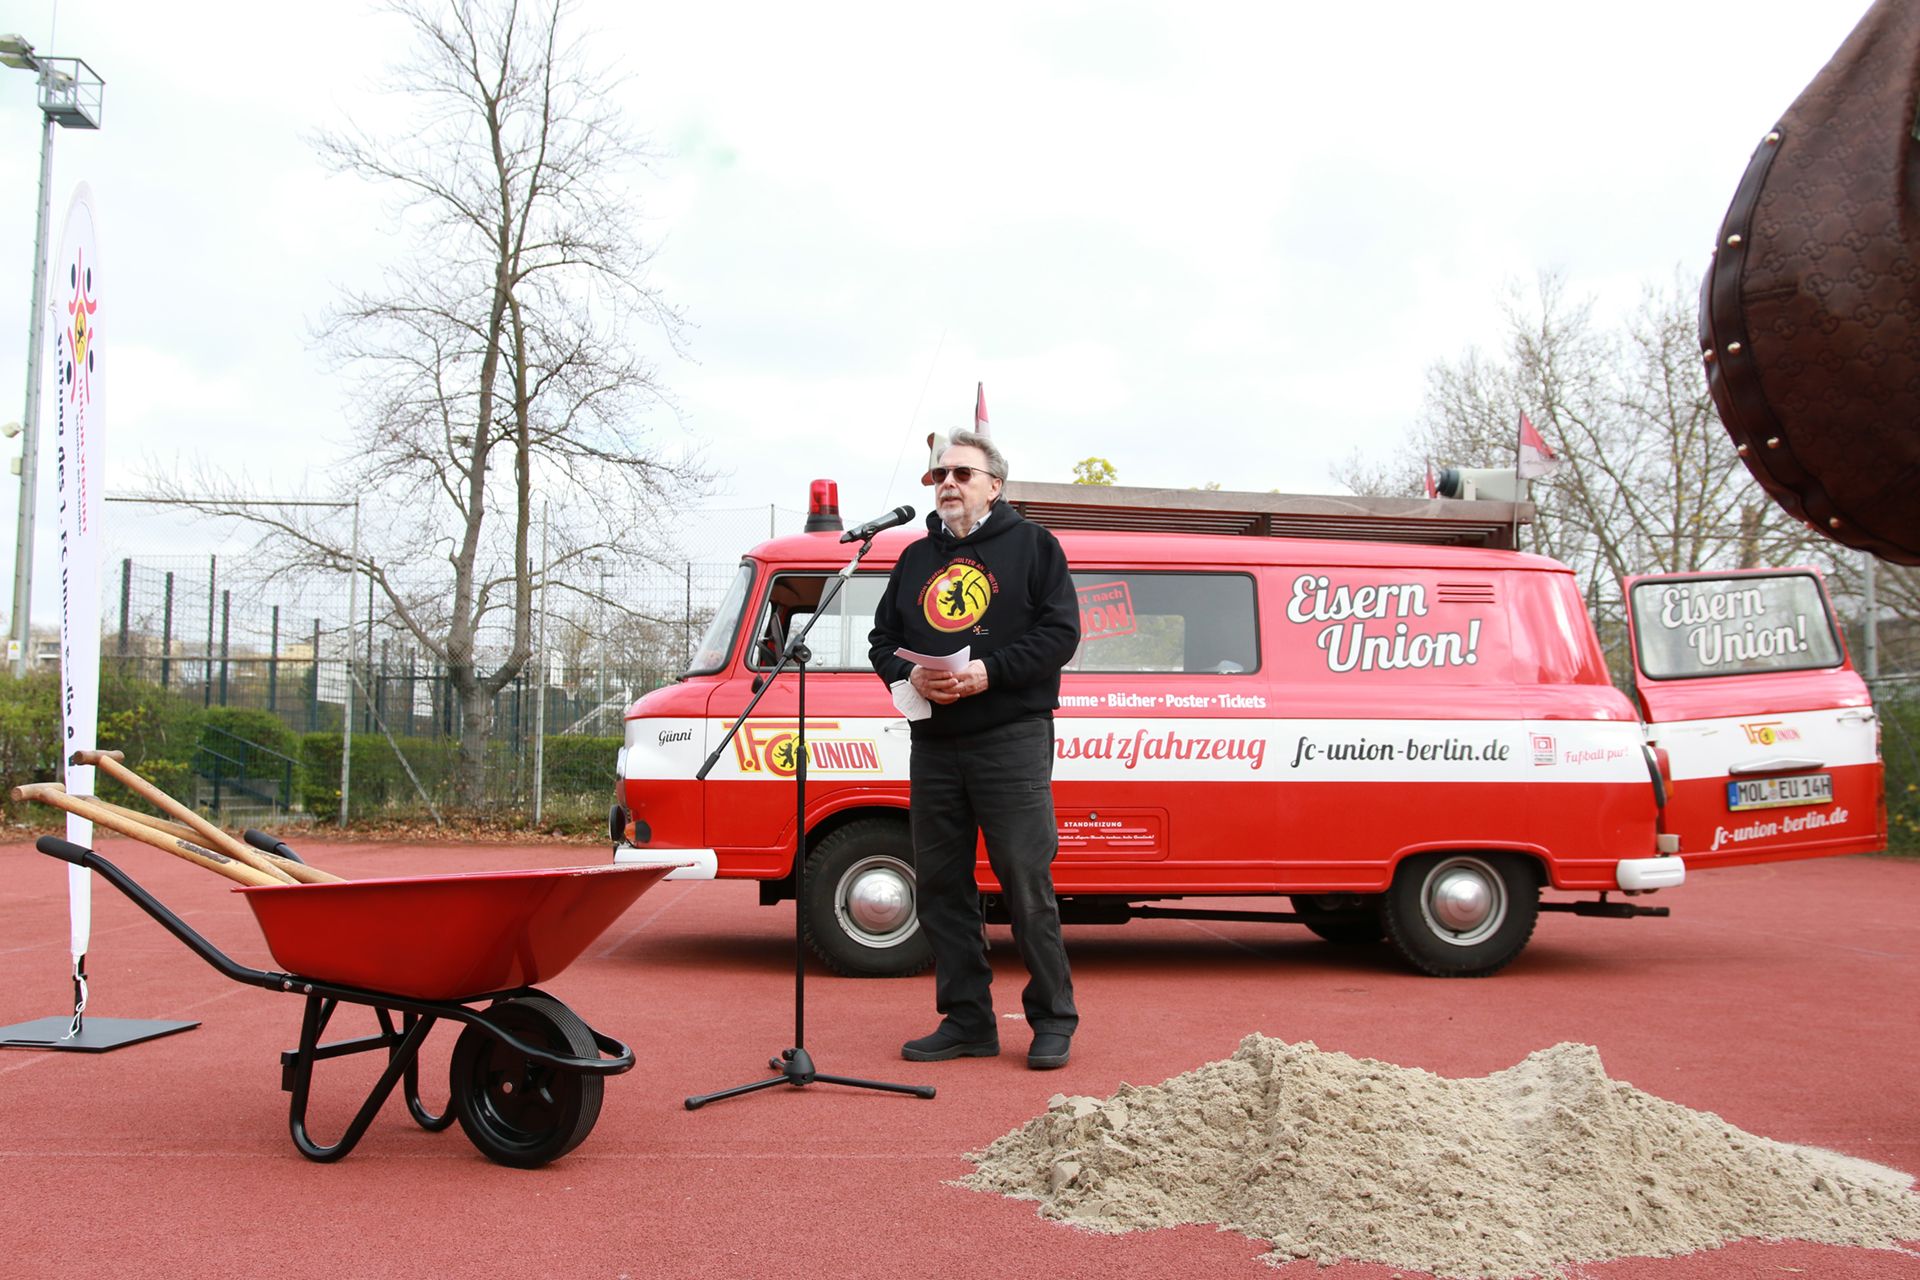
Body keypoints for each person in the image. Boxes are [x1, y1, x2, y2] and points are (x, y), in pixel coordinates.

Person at [868, 429, 1081, 1070]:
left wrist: (988, 672)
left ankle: (1053, 1018)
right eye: (939, 476)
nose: (949, 484)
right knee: (939, 886)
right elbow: (882, 638)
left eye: (962, 472)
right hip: (934, 741)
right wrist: (909, 677)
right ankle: (967, 1021)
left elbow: (1061, 632)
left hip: (1010, 738)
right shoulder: (912, 559)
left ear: (995, 483)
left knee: (1024, 878)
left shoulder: (1035, 547)